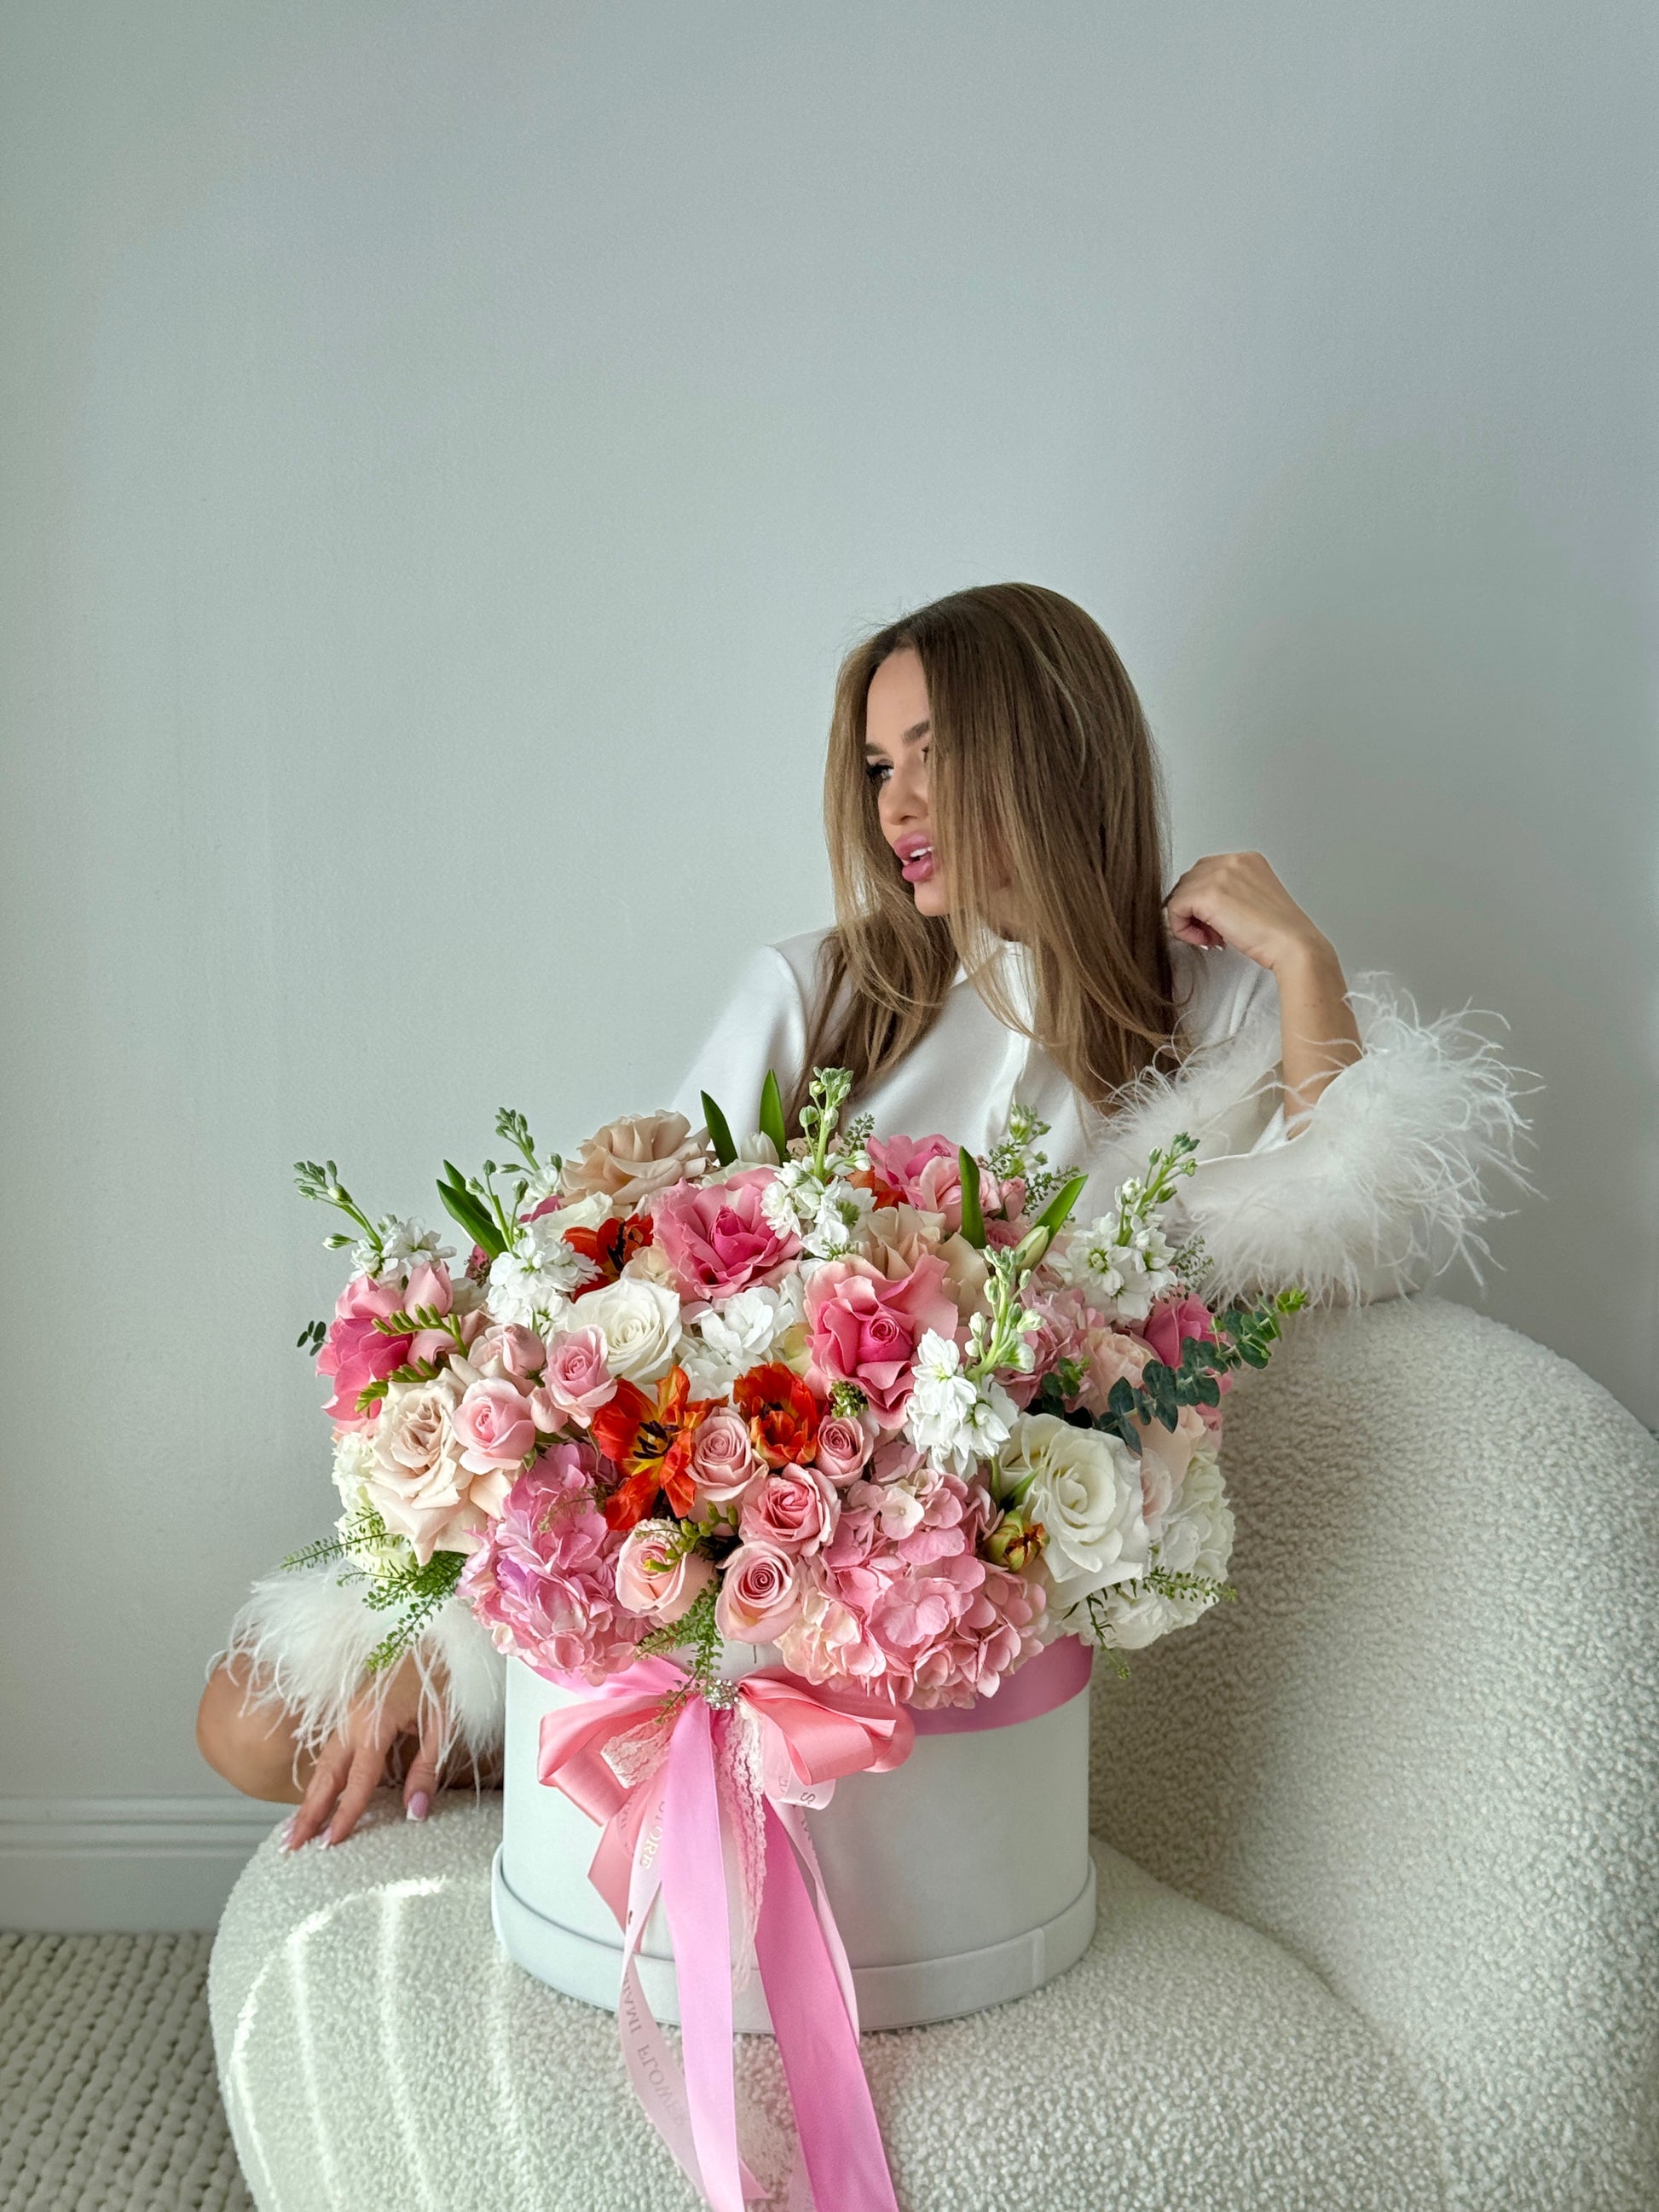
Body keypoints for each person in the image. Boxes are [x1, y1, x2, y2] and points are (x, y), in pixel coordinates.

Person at [196, 580, 1534, 1847]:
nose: (897, 800)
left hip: (972, 1583)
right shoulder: (817, 992)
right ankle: (615, 1718)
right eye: (880, 764)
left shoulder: (1211, 1010)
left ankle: (706, 1746)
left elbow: (1368, 1249)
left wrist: (1304, 962)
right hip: (718, 1533)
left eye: (933, 751)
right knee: (253, 1725)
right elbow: (620, 1293)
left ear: (1051, 749)